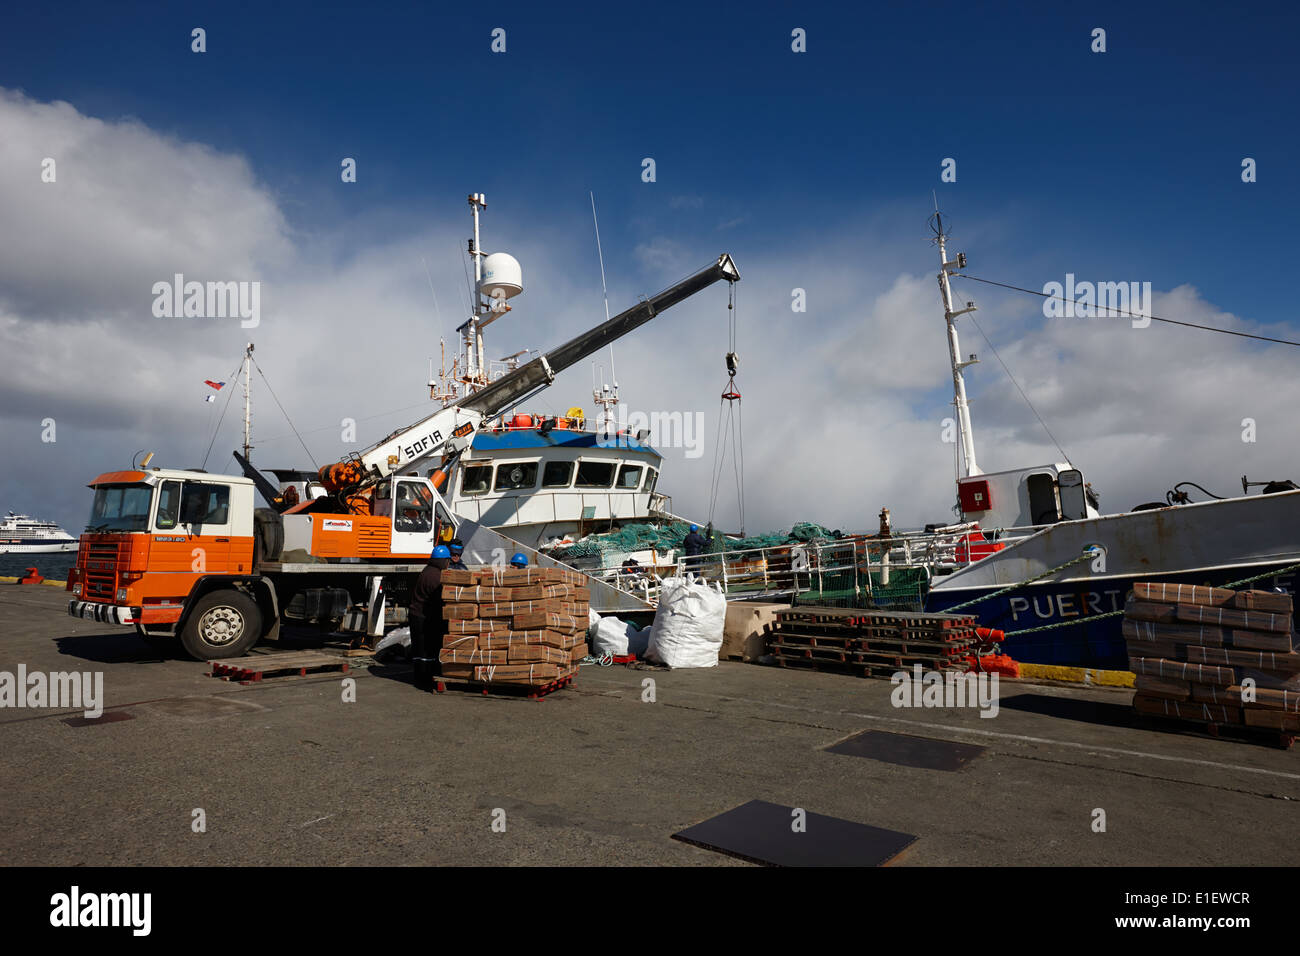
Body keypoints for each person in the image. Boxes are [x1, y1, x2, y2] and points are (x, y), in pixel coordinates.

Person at [409, 544, 451, 691]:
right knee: (428, 648)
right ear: (443, 561)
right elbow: (439, 599)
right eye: (448, 561)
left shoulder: (427, 571)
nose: (448, 564)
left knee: (420, 649)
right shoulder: (435, 577)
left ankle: (420, 676)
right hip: (423, 617)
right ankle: (426, 678)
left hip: (418, 615)